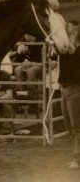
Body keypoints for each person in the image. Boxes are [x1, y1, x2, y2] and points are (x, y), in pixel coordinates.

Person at [58, 20, 80, 169]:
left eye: (73, 33)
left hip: (75, 89)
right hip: (66, 89)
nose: (71, 34)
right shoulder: (67, 51)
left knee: (76, 126)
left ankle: (77, 160)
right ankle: (76, 157)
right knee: (70, 126)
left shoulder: (76, 52)